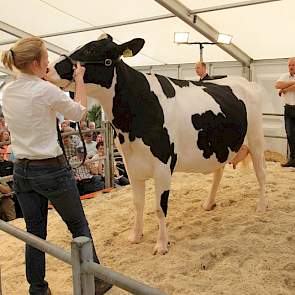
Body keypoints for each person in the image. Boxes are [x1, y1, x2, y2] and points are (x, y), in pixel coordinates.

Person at [1, 36, 112, 295]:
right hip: (50, 169)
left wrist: (45, 79)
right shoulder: (45, 90)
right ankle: (95, 281)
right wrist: (80, 79)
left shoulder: (8, 89)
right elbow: (80, 112)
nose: (50, 61)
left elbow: (34, 92)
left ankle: (38, 288)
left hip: (22, 171)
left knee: (35, 232)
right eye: (46, 58)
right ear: (37, 63)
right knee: (78, 226)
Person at [195, 61, 250, 168]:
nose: (196, 70)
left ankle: (241, 151)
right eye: (195, 68)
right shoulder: (200, 82)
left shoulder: (210, 81)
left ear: (204, 68)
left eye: (198, 67)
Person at [275, 57, 295, 167]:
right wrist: (291, 83)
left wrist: (285, 89)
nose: (291, 67)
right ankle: (293, 159)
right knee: (290, 134)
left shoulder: (285, 79)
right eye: (289, 65)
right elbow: (277, 85)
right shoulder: (284, 76)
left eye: (293, 65)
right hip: (288, 109)